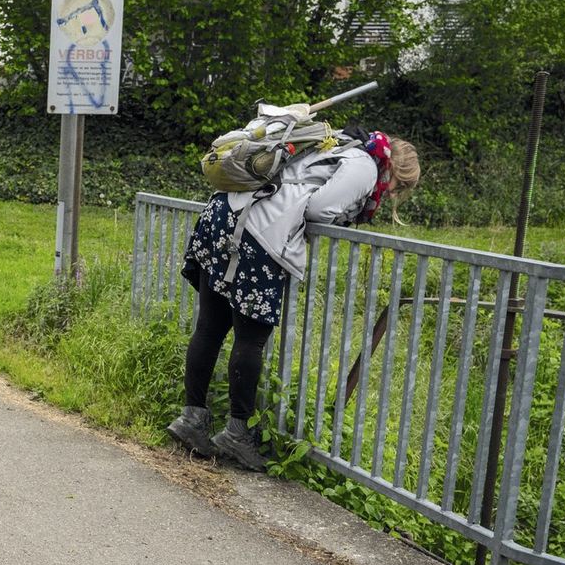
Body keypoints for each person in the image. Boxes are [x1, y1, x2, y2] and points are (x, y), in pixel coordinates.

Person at [166, 129, 422, 469]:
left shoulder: (336, 146)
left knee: (210, 328)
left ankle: (192, 418)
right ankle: (237, 433)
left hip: (223, 214)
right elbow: (318, 208)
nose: (391, 195)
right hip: (258, 233)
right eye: (398, 189)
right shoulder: (364, 167)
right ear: (395, 175)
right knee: (250, 339)